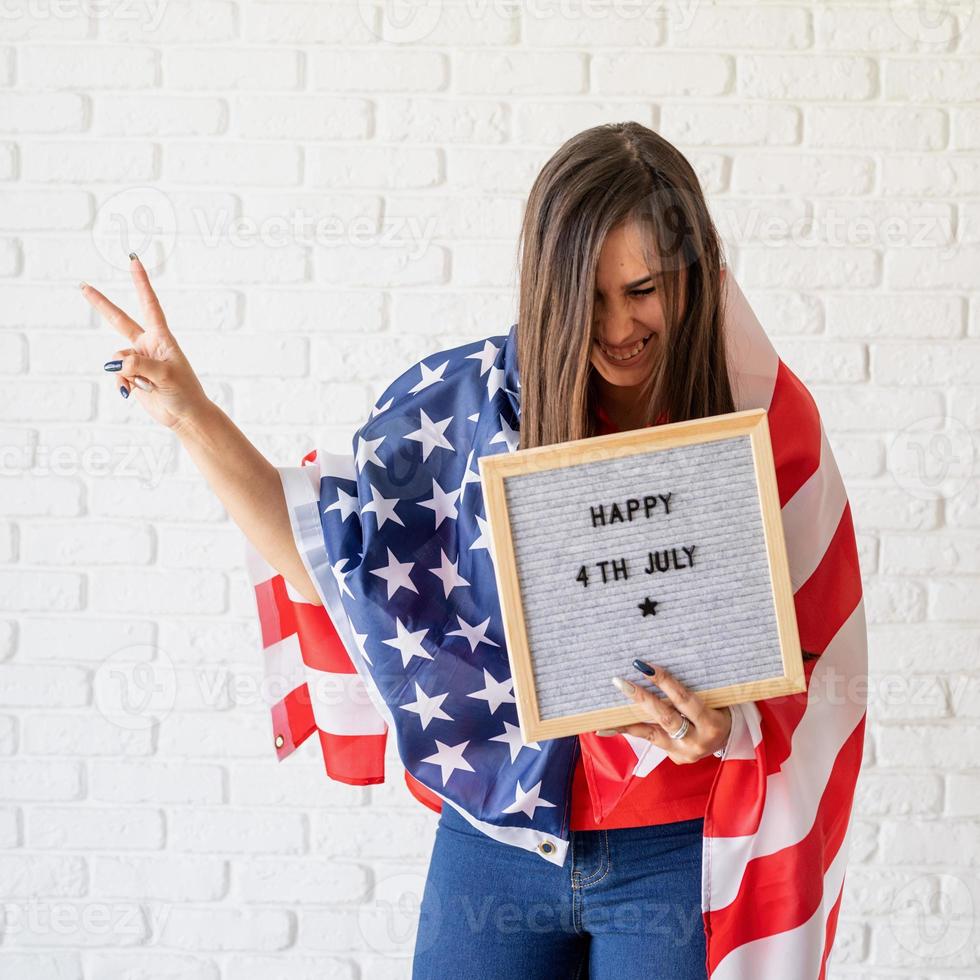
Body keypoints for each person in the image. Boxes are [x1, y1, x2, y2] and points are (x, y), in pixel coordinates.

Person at [82, 122, 866, 979]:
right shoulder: (470, 407)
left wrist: (727, 728)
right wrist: (189, 409)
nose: (617, 330)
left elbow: (817, 668)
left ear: (696, 273)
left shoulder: (766, 418)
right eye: (587, 299)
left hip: (676, 852)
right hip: (496, 840)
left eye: (643, 290)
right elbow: (327, 551)